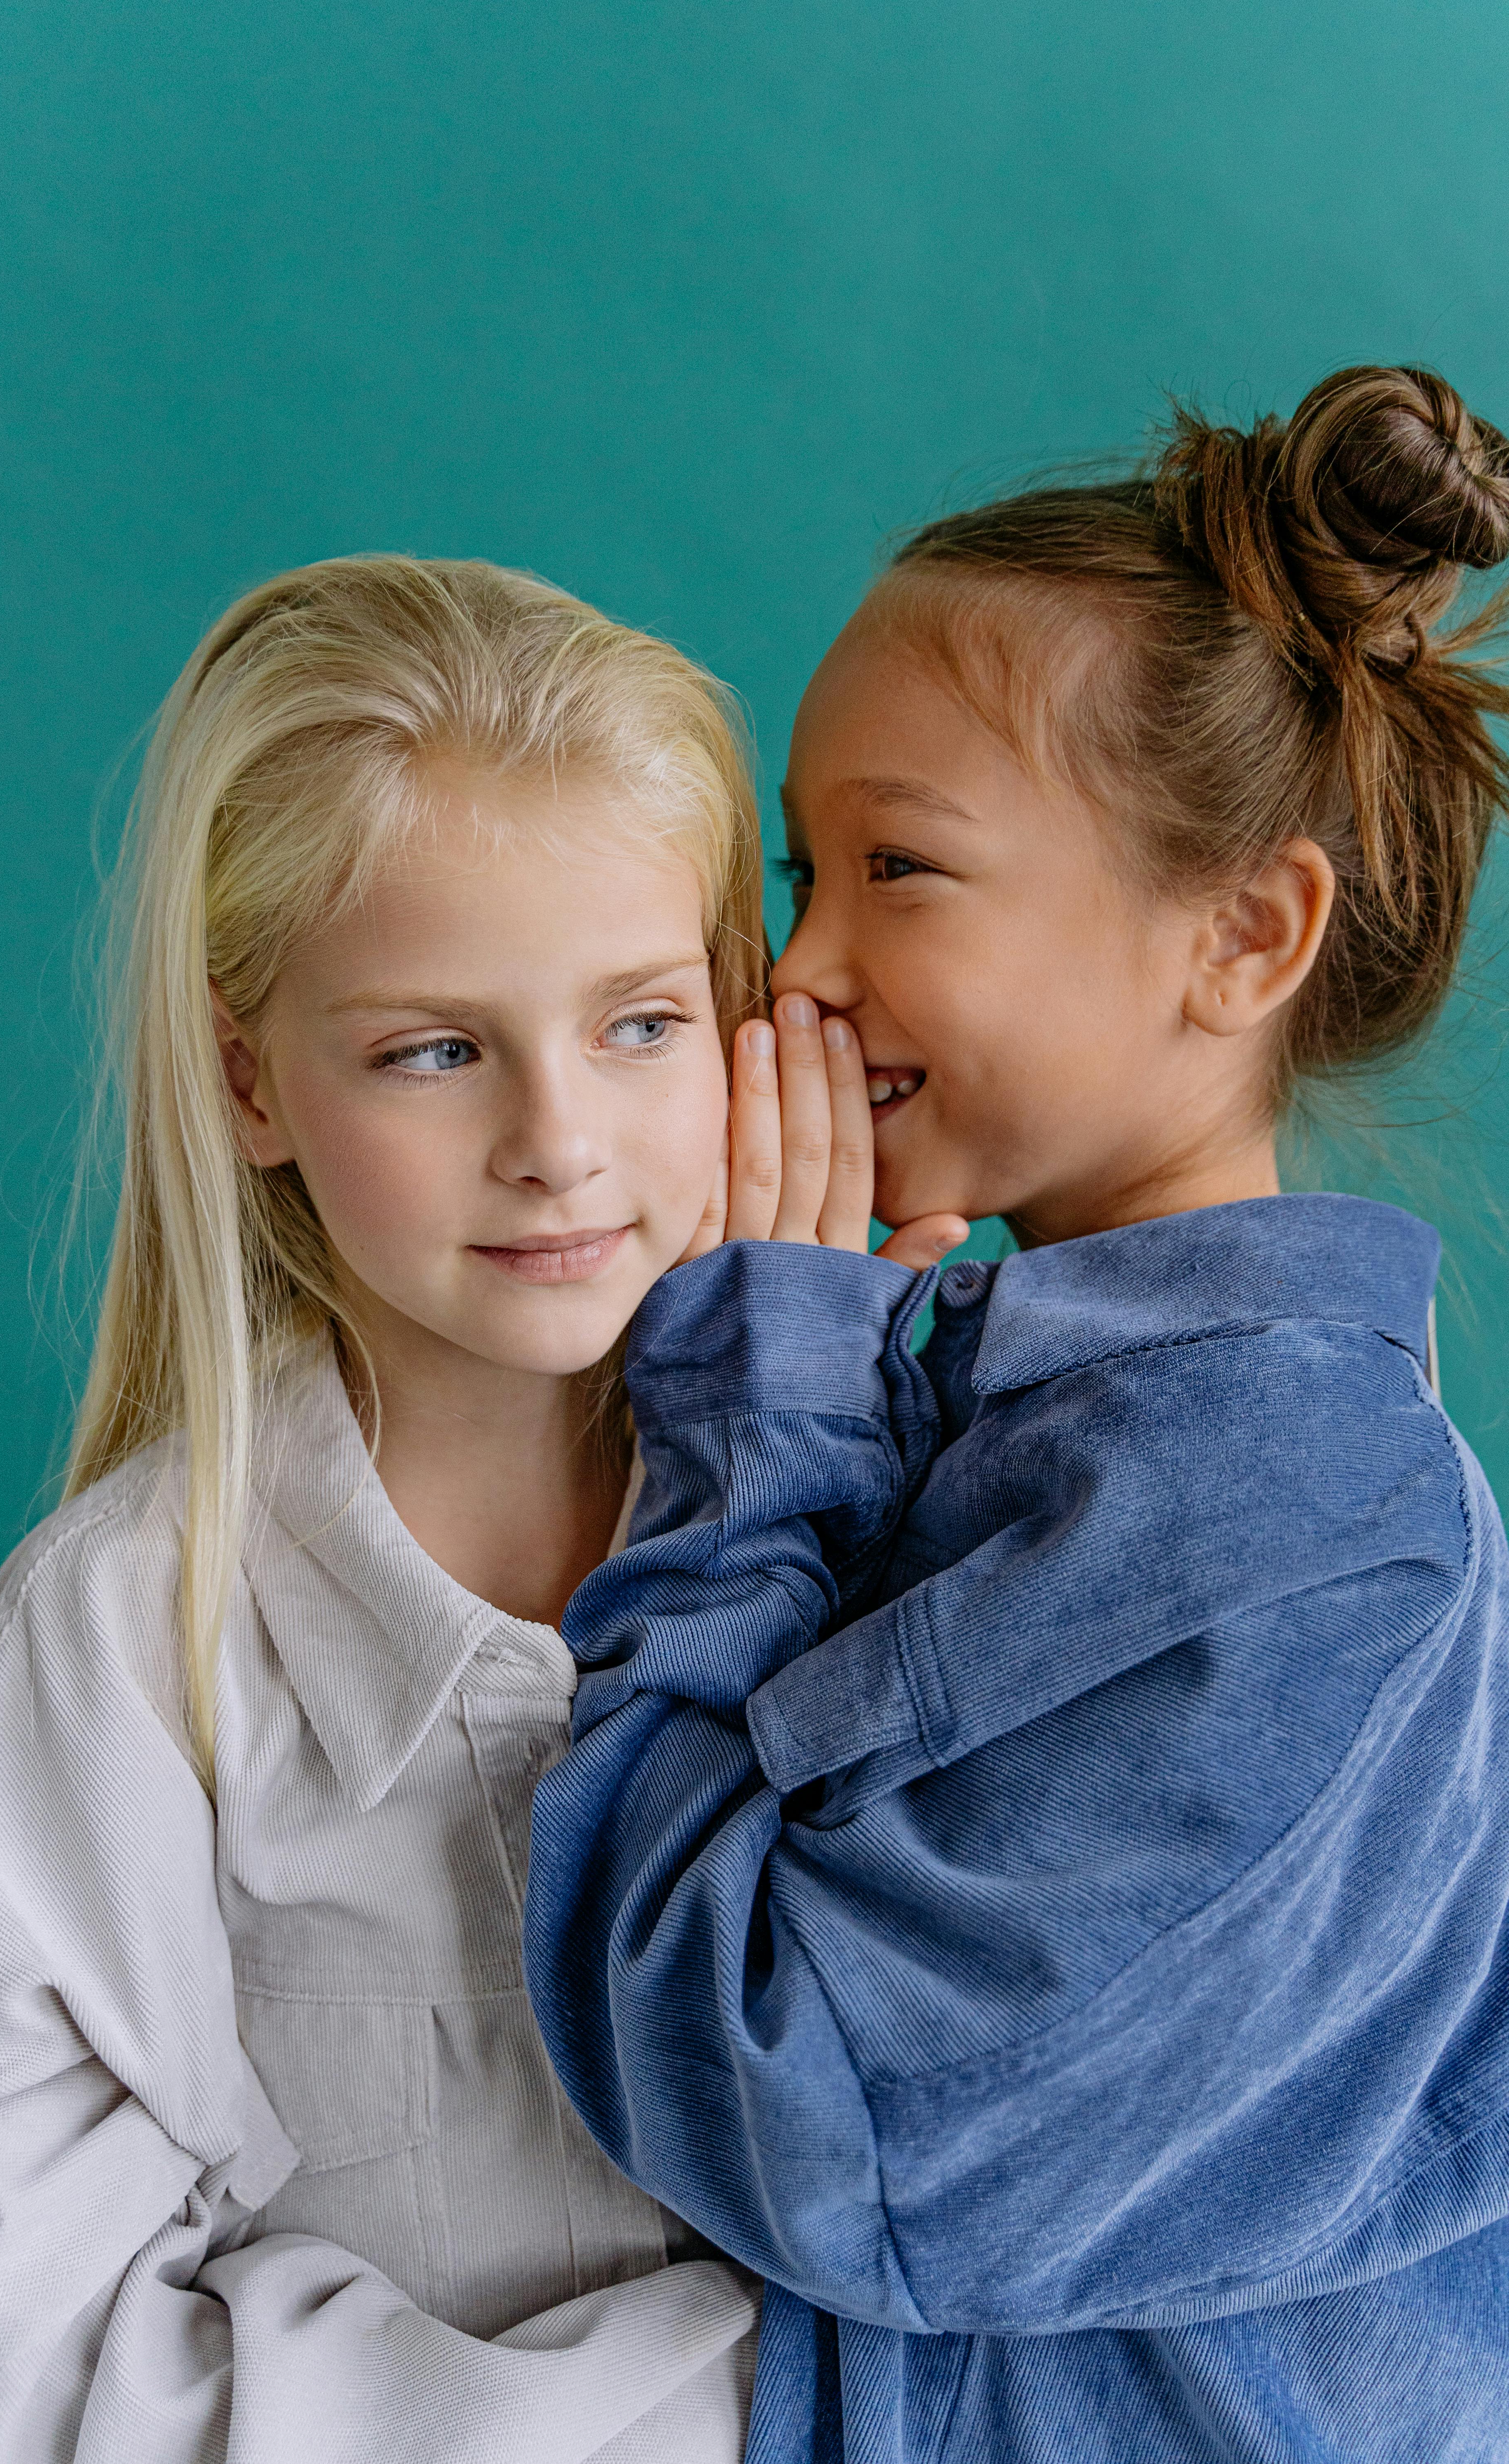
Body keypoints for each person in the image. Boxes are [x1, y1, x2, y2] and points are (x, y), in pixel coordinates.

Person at [522, 366, 1509, 2461]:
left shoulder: (1324, 1521)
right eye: (803, 874)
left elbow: (810, 2120)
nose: (794, 974)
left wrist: (756, 1435)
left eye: (902, 870)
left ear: (1243, 932)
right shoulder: (1008, 1410)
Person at [0, 554, 780, 2462]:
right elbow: (10, 2356)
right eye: (432, 1051)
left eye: (640, 1023)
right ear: (247, 1081)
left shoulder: (920, 1546)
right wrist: (759, 2404)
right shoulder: (122, 1654)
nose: (556, 1139)